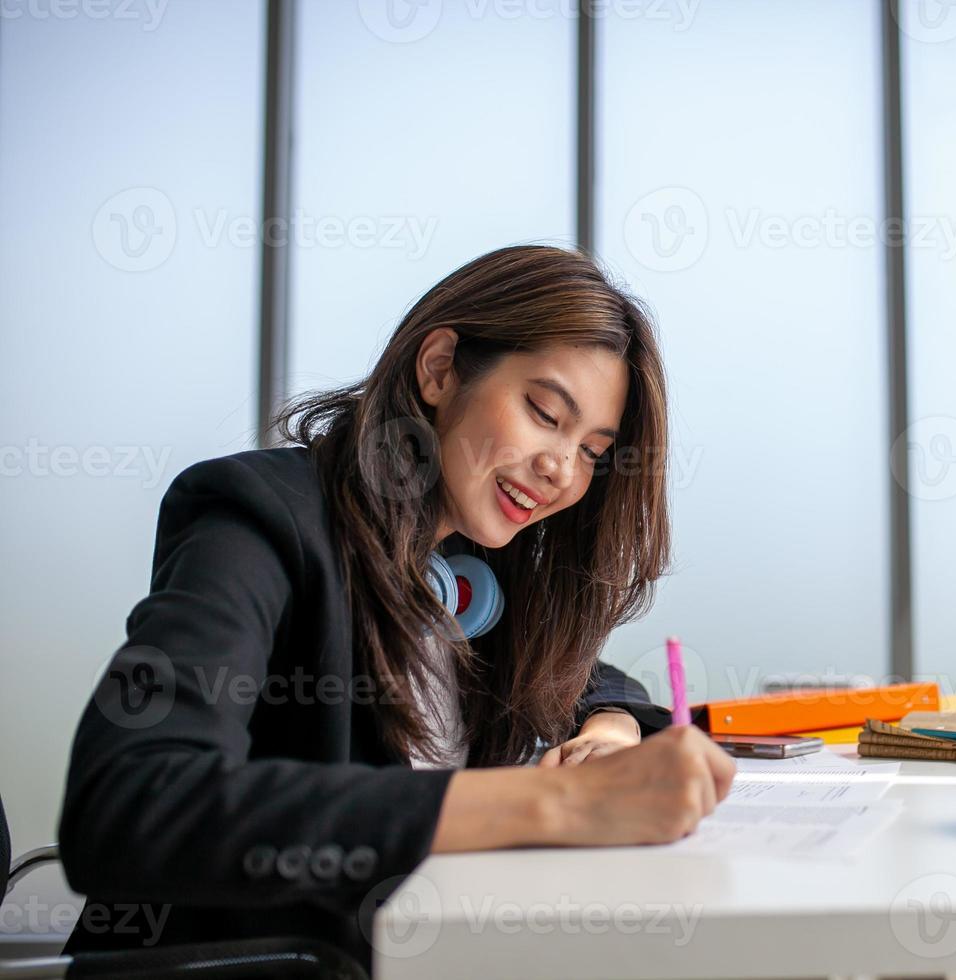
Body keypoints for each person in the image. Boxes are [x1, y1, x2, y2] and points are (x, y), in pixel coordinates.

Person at [58, 245, 736, 966]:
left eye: (594, 451)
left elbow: (583, 678)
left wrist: (608, 735)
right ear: (439, 367)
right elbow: (132, 804)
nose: (562, 470)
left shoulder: (465, 567)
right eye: (544, 413)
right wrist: (556, 805)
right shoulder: (260, 518)